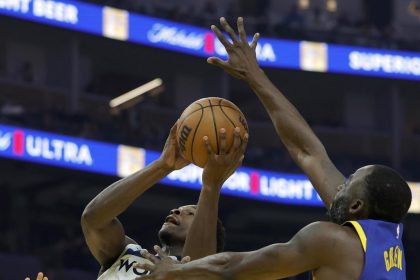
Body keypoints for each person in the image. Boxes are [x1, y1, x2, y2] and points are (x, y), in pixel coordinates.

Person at [135, 17, 412, 280]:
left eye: (351, 181)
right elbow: (308, 151)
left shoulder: (332, 240)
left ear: (356, 205)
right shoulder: (386, 243)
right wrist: (255, 76)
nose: (342, 182)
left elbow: (235, 266)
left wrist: (174, 271)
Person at [81, 122, 247, 279]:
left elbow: (198, 269)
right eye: (179, 209)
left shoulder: (204, 272)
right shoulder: (127, 253)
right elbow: (93, 218)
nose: (176, 211)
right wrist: (162, 166)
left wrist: (211, 186)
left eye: (190, 213)